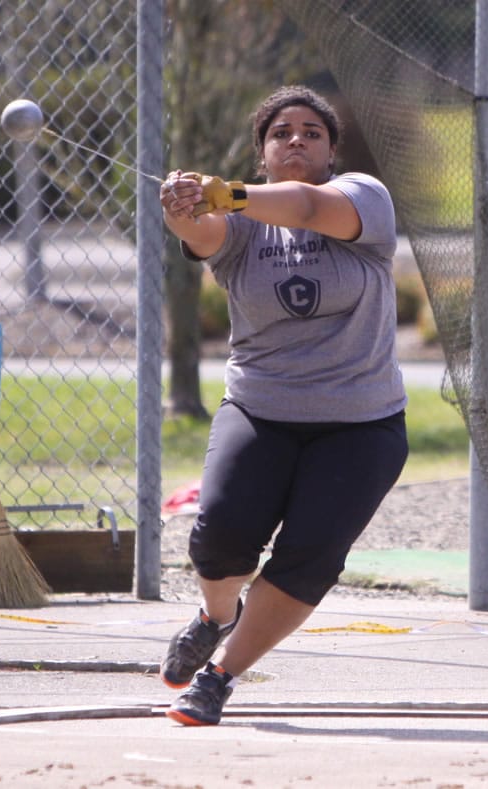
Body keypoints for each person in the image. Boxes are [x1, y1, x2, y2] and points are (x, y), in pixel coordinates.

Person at [158, 85, 408, 726]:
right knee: (219, 538)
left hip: (361, 424)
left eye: (310, 132)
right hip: (261, 410)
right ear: (262, 153)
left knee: (311, 557)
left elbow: (301, 206)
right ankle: (217, 615)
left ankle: (219, 676)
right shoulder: (240, 224)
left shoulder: (363, 199)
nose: (295, 139)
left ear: (330, 153)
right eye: (280, 133)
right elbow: (202, 231)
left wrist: (230, 191)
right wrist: (183, 206)